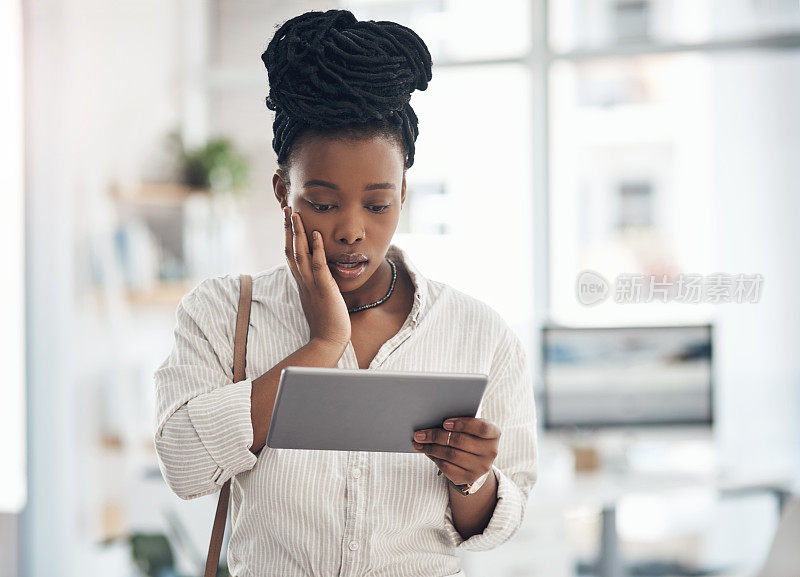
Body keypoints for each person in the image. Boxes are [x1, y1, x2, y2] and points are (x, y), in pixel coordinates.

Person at [153, 9, 538, 577]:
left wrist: (469, 477)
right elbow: (184, 464)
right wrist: (323, 342)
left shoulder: (477, 331)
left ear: (404, 191)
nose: (352, 231)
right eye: (324, 204)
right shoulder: (222, 312)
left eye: (378, 204)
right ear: (284, 190)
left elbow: (500, 520)